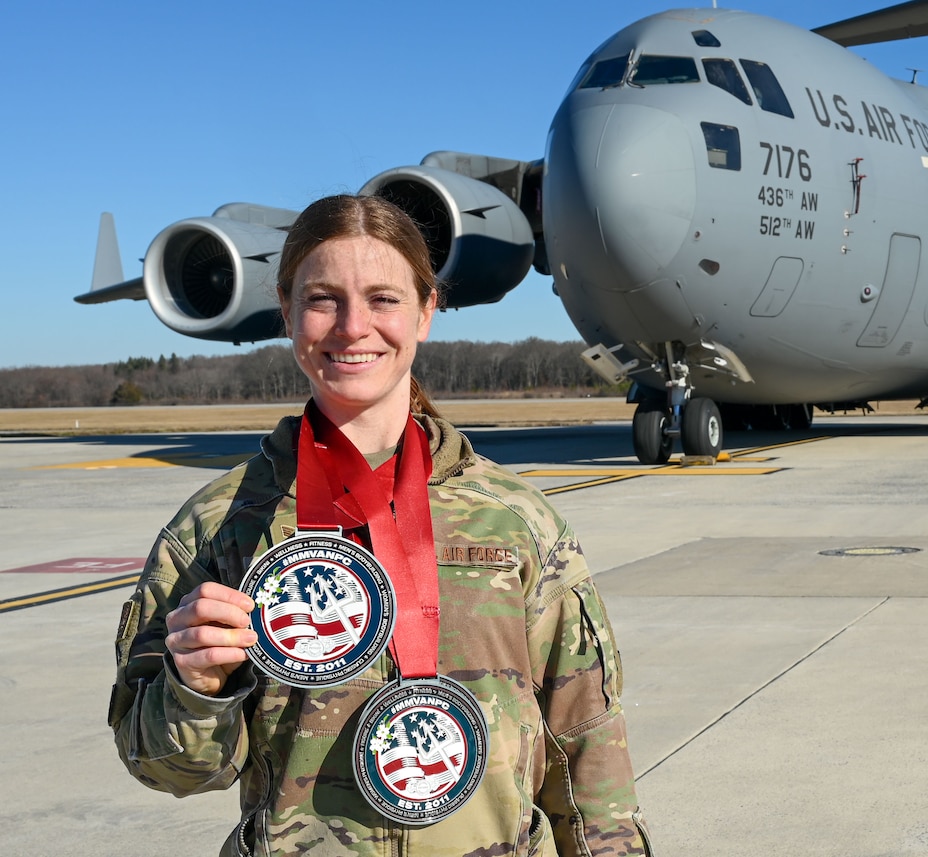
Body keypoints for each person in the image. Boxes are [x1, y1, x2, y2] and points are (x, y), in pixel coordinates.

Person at [108, 194, 652, 857]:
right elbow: (168, 767)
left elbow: (587, 743)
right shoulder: (217, 530)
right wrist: (195, 688)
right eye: (323, 298)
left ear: (426, 312)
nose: (353, 325)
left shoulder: (516, 521)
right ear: (286, 311)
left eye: (384, 299)